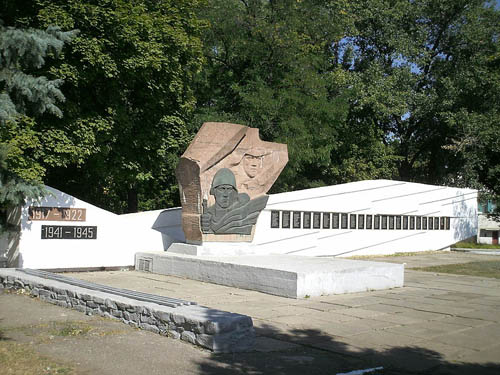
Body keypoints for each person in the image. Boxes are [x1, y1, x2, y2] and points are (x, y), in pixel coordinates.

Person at [201, 168, 268, 234]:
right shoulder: (208, 214)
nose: (225, 194)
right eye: (221, 189)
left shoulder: (242, 212)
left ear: (234, 193)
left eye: (229, 189)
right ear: (213, 191)